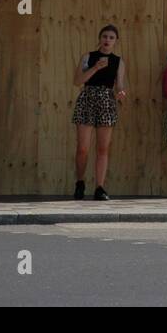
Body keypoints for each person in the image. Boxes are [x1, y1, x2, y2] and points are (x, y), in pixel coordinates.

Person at [71, 24, 127, 201]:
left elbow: (119, 84)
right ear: (99, 38)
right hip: (88, 98)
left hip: (106, 100)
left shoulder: (118, 61)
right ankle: (80, 183)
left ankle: (100, 187)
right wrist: (95, 68)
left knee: (103, 148)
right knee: (83, 148)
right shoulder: (88, 57)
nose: (107, 40)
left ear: (115, 41)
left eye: (111, 37)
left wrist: (120, 93)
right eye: (104, 36)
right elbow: (77, 81)